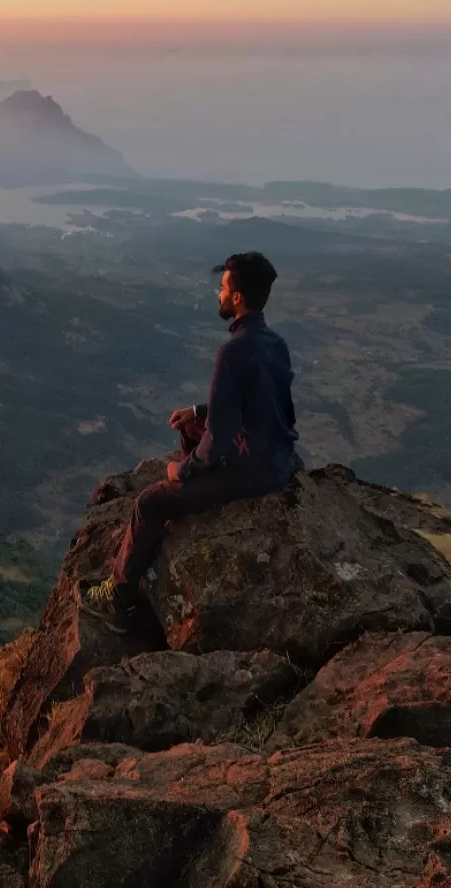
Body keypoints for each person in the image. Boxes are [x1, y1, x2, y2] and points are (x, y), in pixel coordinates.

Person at [78, 250, 300, 634]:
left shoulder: (232, 352)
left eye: (222, 287)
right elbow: (262, 403)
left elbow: (219, 442)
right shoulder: (273, 342)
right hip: (279, 458)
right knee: (186, 429)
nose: (217, 294)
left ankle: (117, 599)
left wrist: (181, 471)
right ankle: (196, 491)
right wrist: (198, 412)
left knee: (148, 502)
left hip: (251, 472)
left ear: (237, 298)